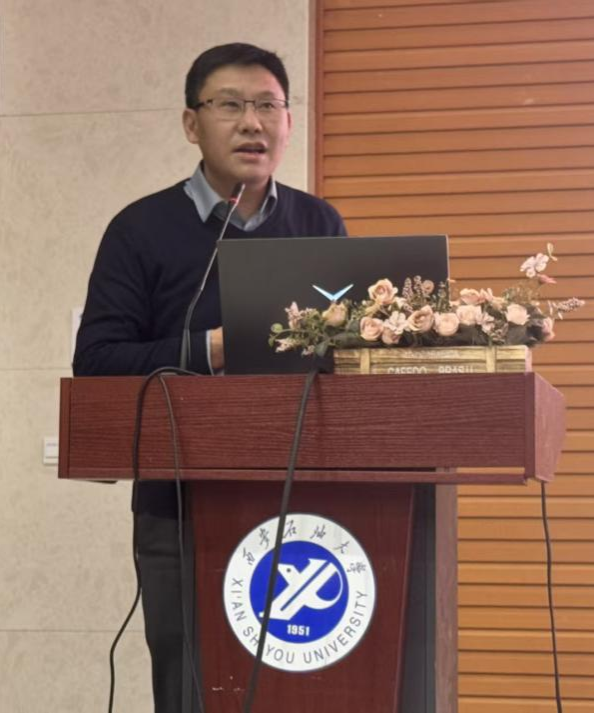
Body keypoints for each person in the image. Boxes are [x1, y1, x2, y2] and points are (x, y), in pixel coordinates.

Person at [73, 42, 347, 712]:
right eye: (230, 105)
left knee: (301, 685)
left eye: (268, 106)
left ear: (288, 122)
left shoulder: (319, 223)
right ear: (192, 124)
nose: (252, 123)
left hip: (305, 499)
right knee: (189, 685)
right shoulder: (140, 229)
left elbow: (344, 357)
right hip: (178, 504)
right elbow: (98, 361)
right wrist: (213, 348)